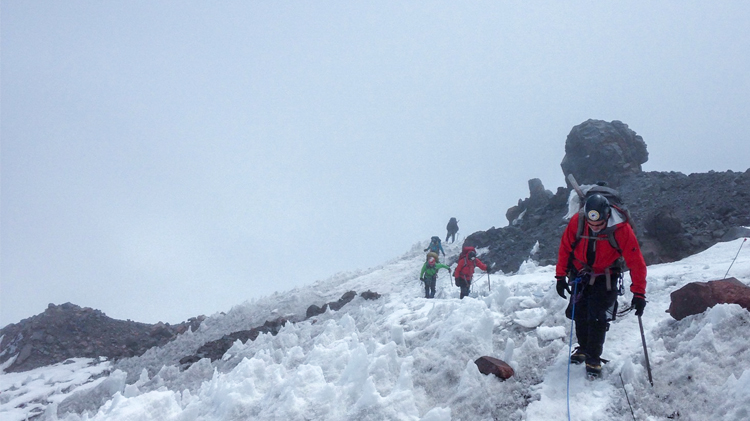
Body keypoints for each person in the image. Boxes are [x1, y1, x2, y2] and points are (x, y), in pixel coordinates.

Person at [555, 193, 647, 378]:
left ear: (607, 216)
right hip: (580, 273)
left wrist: (639, 293)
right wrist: (560, 276)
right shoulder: (578, 221)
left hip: (606, 276)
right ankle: (583, 348)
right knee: (579, 312)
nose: (595, 228)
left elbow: (636, 261)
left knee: (597, 316)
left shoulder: (621, 229)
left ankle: (593, 357)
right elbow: (565, 247)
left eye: (599, 225)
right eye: (592, 225)